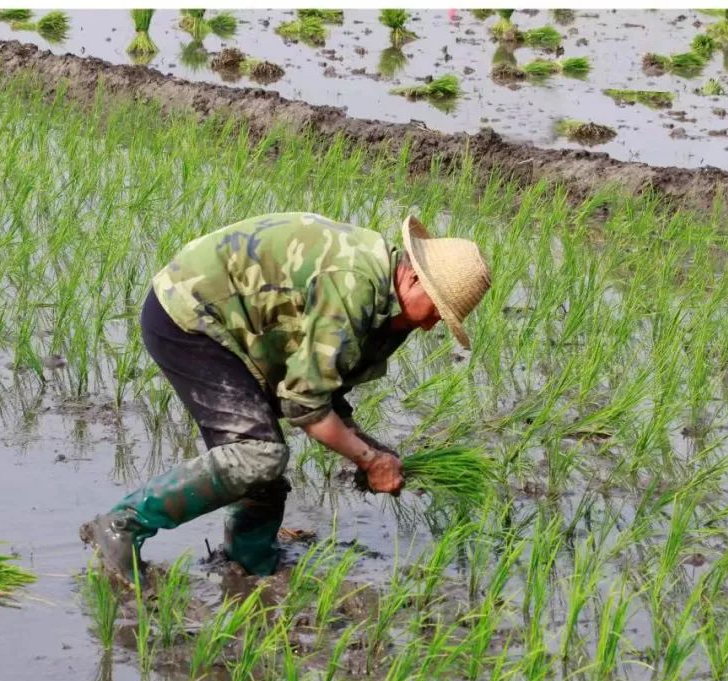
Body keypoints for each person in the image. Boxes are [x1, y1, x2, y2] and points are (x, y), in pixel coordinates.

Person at [80, 212, 491, 583]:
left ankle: (248, 564)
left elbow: (324, 389)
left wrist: (375, 451)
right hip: (188, 315)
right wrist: (369, 461)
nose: (432, 326)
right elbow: (305, 407)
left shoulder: (387, 302)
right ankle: (122, 525)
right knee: (258, 455)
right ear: (416, 278)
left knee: (261, 471)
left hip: (236, 331)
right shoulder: (354, 285)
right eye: (438, 311)